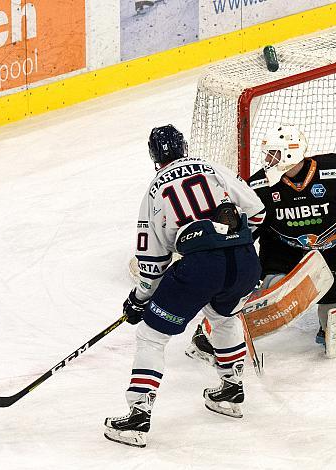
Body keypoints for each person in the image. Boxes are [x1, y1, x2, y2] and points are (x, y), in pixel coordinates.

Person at [104, 124, 265, 448]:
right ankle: (232, 391)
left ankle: (138, 416)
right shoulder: (210, 167)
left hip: (202, 269)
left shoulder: (155, 190)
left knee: (151, 335)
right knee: (223, 318)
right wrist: (232, 242)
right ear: (185, 146)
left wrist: (140, 299)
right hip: (245, 263)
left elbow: (152, 260)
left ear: (153, 156)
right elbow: (257, 211)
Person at [187, 124, 336, 358]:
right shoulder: (259, 187)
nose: (268, 160)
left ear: (291, 152)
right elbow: (244, 233)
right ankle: (216, 329)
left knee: (334, 326)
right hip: (283, 254)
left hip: (335, 254)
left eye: (274, 154)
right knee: (274, 293)